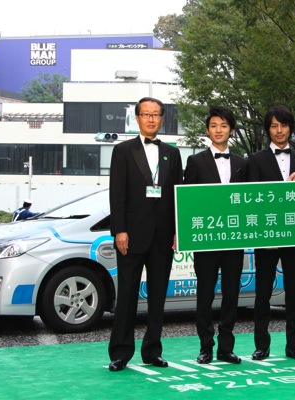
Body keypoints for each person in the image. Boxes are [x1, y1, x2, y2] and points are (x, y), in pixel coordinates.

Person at [108, 97, 183, 372]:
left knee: (157, 297)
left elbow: (177, 194)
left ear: (162, 119)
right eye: (146, 114)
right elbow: (117, 193)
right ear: (137, 118)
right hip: (131, 237)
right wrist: (120, 230)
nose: (151, 119)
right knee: (127, 296)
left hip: (163, 237)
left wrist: (178, 231)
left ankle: (152, 351)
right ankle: (120, 352)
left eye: (156, 115)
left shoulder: (172, 153)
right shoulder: (123, 151)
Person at [246, 105, 295, 362]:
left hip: (294, 233)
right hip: (266, 234)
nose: (279, 130)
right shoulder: (255, 160)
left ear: (290, 128)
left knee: (294, 289)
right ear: (268, 130)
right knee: (263, 290)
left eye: (283, 125)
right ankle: (261, 345)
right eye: (274, 126)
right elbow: (250, 197)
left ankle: (294, 345)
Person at [184, 106, 247, 364]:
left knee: (232, 294)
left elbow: (251, 200)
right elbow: (187, 201)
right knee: (205, 294)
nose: (218, 130)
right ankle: (206, 347)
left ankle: (226, 347)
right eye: (213, 125)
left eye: (223, 125)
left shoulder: (243, 163)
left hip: (234, 240)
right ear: (207, 130)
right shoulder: (195, 162)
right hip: (206, 240)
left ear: (231, 130)